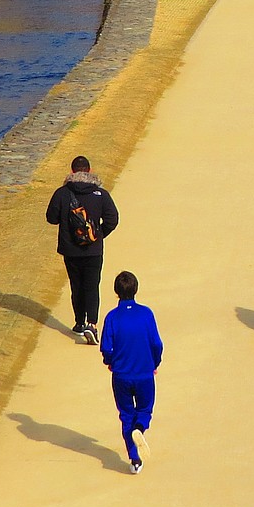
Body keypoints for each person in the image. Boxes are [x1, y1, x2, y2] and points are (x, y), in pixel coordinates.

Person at [45, 155, 119, 344]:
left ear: (72, 172)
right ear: (89, 171)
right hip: (93, 250)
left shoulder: (62, 193)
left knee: (76, 286)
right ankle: (92, 324)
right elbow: (112, 219)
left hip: (70, 250)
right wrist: (99, 234)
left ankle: (79, 323)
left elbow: (51, 218)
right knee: (92, 286)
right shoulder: (100, 194)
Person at [99, 270, 163, 473]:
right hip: (144, 374)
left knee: (126, 414)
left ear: (116, 291)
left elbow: (106, 348)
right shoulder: (146, 314)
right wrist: (155, 363)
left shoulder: (112, 317)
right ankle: (140, 428)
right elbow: (156, 344)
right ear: (136, 289)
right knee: (144, 410)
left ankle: (135, 460)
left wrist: (110, 362)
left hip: (121, 376)